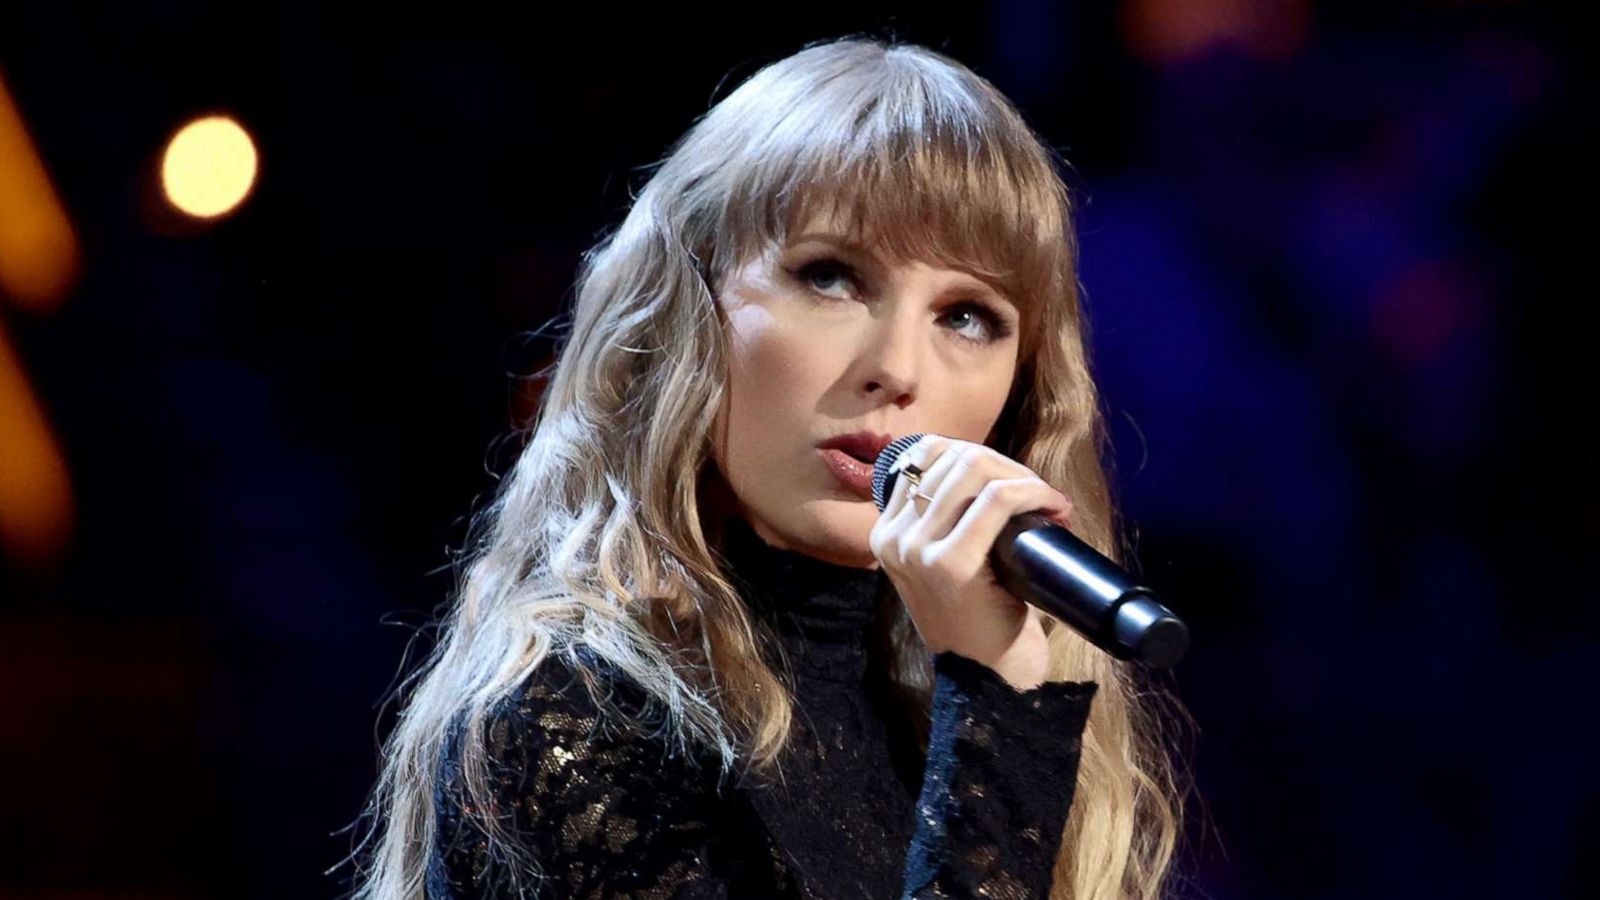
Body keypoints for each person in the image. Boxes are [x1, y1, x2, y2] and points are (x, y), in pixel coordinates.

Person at [348, 35, 1188, 900]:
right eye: (831, 277)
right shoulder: (571, 719)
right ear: (688, 311)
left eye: (967, 317)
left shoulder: (935, 728)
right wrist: (998, 722)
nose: (898, 368)